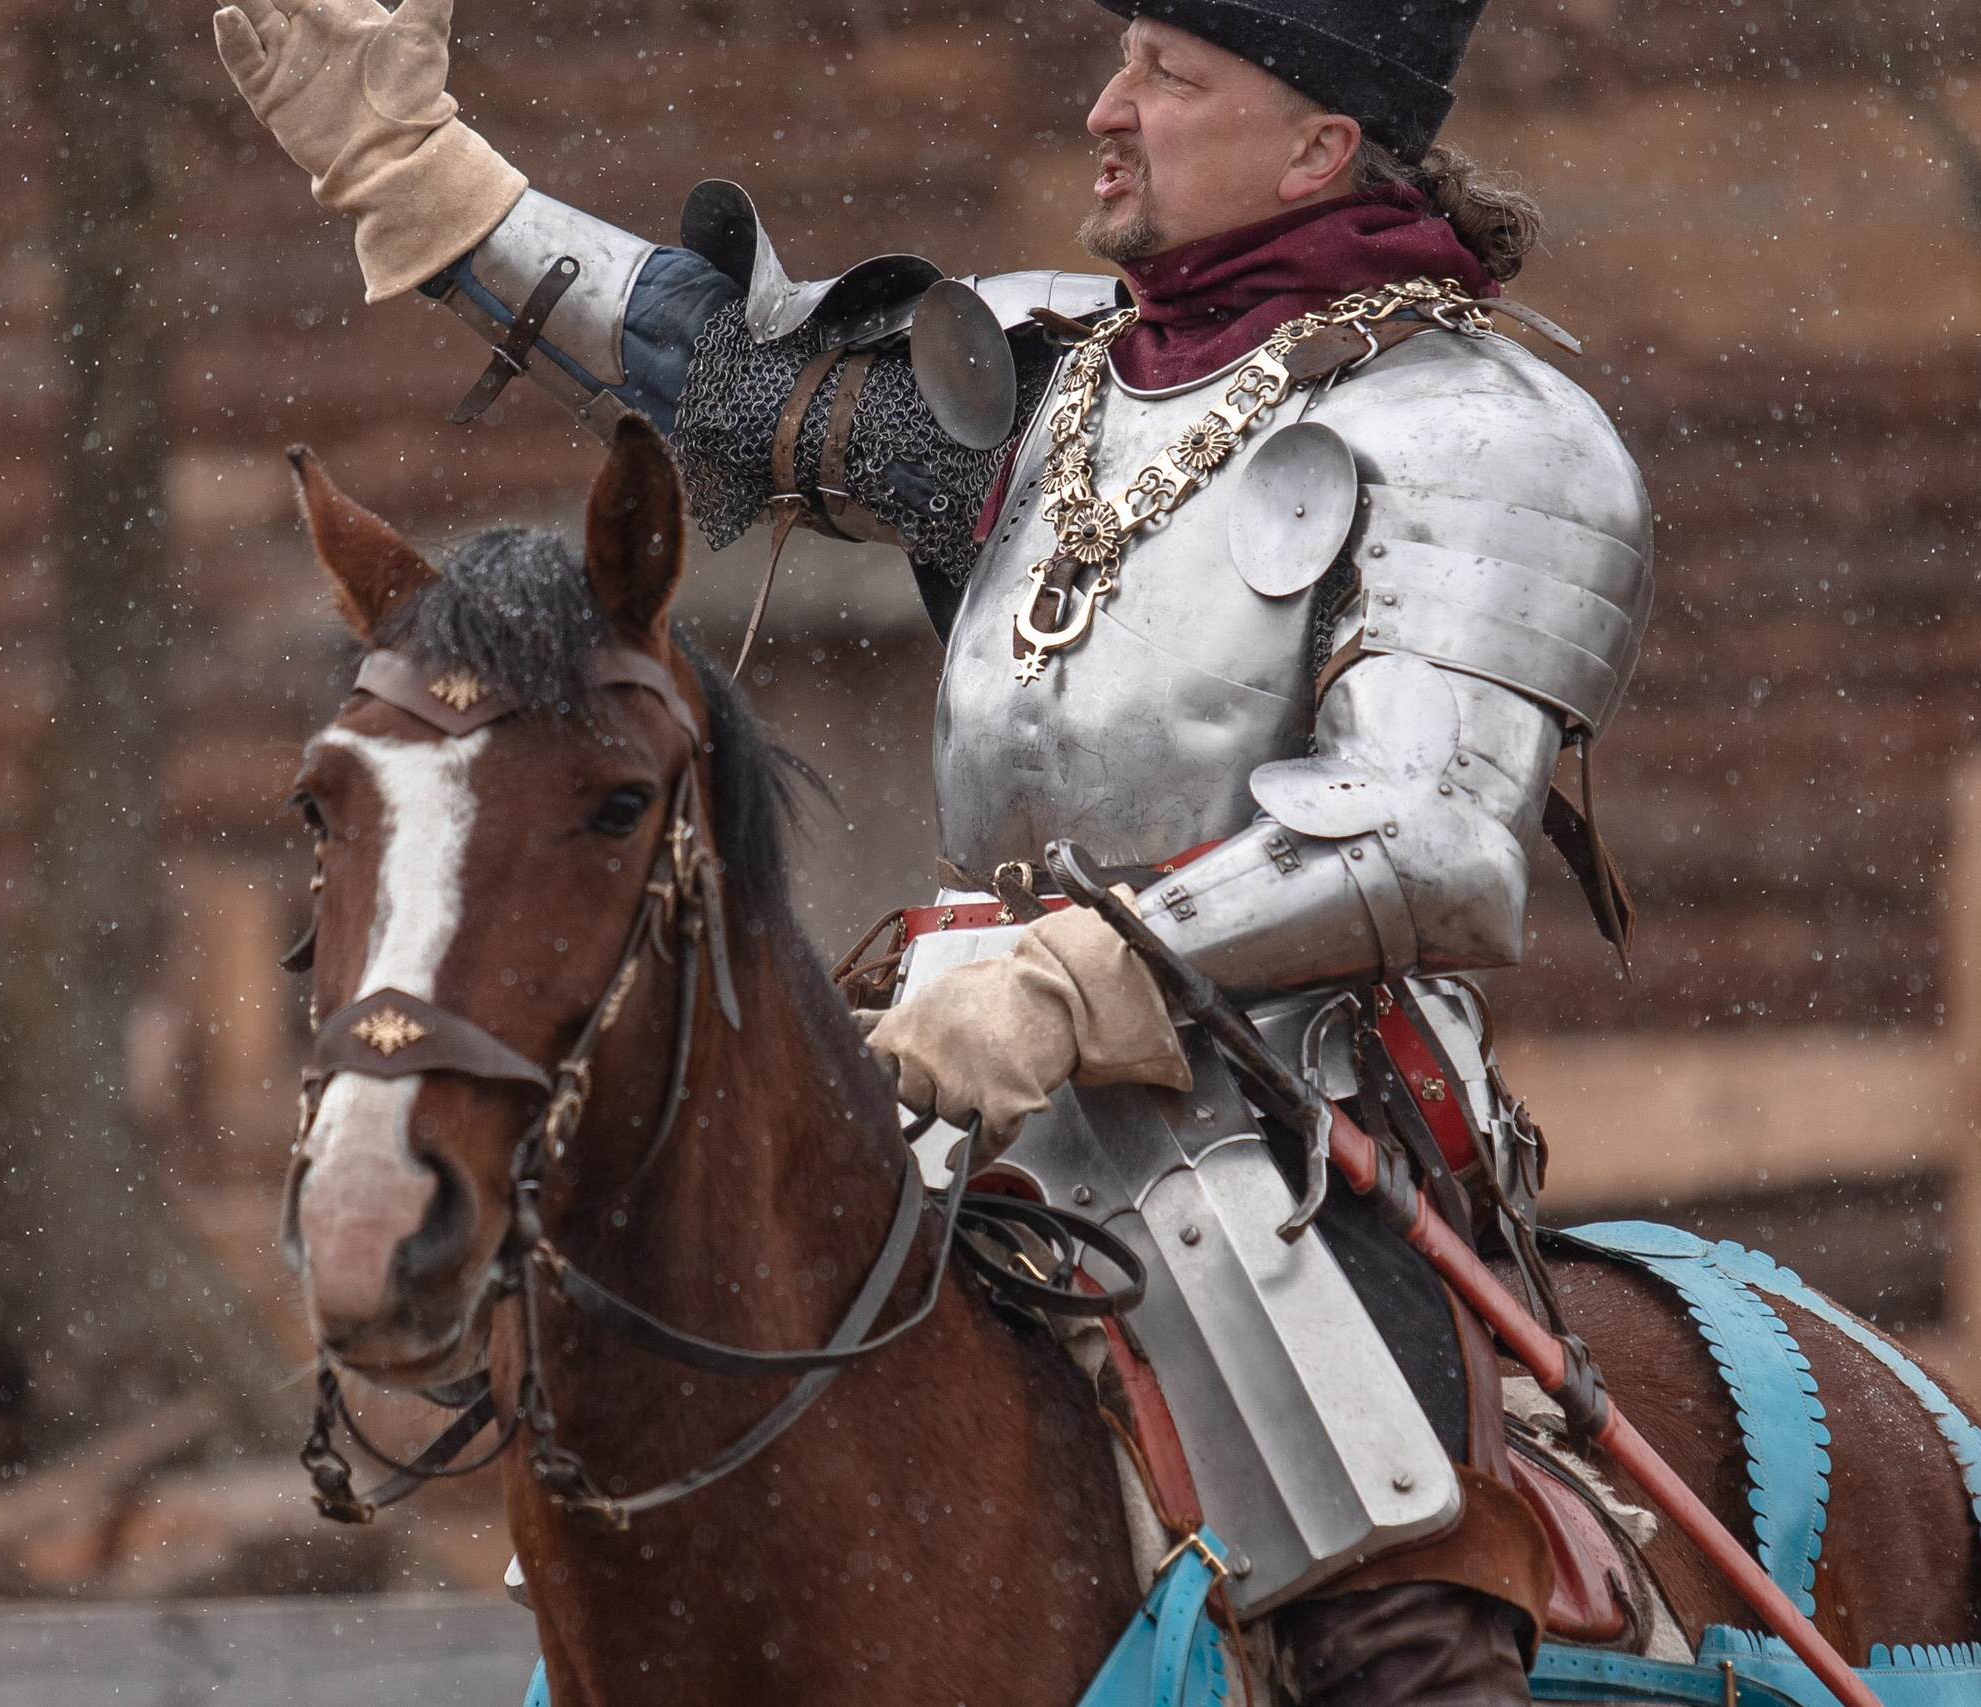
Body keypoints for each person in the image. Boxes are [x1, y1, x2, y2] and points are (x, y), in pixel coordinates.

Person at [217, 0, 1651, 1699]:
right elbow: (701, 364)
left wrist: (1092, 965)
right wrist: (424, 172)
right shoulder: (1053, 371)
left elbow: (1434, 838)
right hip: (949, 1081)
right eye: (1124, 62)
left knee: (1383, 1585)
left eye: (1172, 81)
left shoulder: (1492, 440)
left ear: (1321, 142)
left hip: (1289, 1124)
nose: (1108, 110)